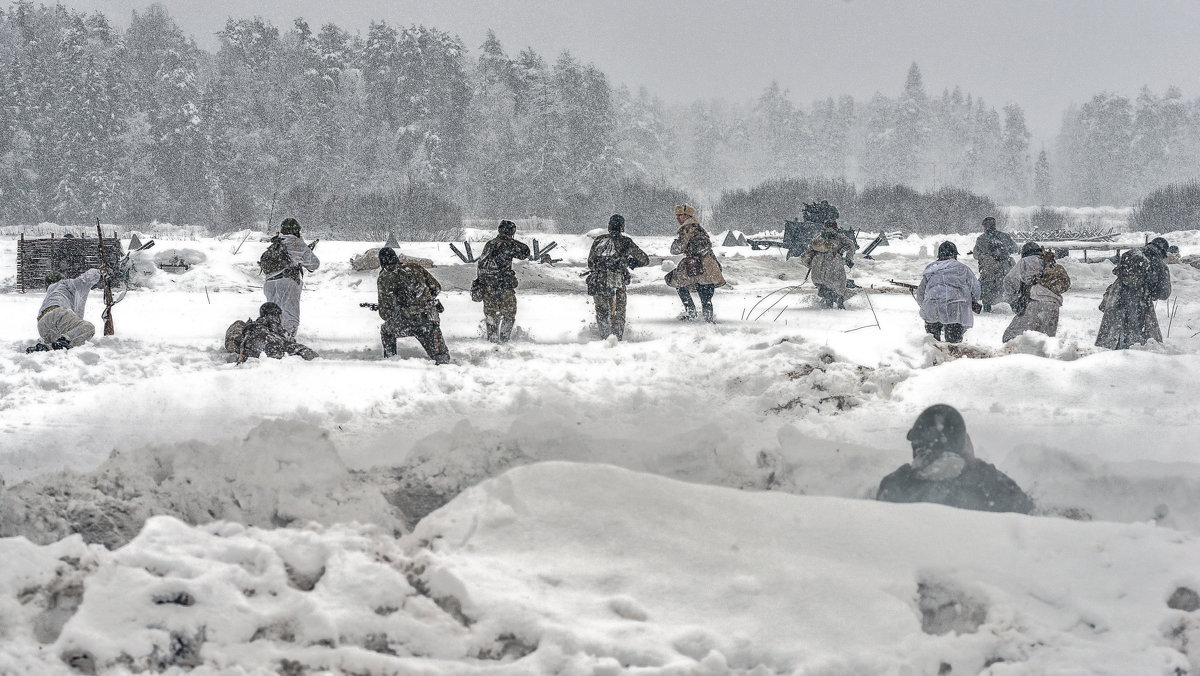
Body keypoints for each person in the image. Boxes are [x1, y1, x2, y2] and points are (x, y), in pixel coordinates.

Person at [876, 404, 1035, 514]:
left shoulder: (897, 483)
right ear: (963, 444)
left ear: (917, 446)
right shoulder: (990, 482)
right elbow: (1029, 516)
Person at [1095, 237, 1172, 350]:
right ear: (1163, 252)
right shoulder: (1160, 265)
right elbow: (1164, 294)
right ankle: (1132, 358)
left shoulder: (1131, 253)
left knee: (1111, 329)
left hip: (1117, 295)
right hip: (1140, 300)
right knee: (1135, 336)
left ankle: (1106, 352)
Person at [377, 246, 451, 363]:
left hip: (405, 322)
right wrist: (423, 301)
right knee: (441, 358)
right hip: (429, 320)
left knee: (386, 331)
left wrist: (396, 310)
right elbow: (436, 287)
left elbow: (384, 313)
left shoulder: (384, 277)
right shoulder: (415, 267)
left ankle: (391, 361)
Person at [587, 214, 650, 340]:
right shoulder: (626, 242)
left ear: (609, 226)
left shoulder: (599, 240)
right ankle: (617, 338)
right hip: (617, 281)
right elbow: (645, 259)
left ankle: (604, 337)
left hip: (598, 280)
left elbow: (590, 262)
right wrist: (631, 262)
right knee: (618, 312)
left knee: (601, 310)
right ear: (622, 228)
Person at [259, 217, 320, 338]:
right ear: (297, 230)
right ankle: (288, 340)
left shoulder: (277, 242)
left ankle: (272, 339)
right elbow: (314, 264)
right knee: (290, 314)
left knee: (273, 314)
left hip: (269, 283)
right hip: (287, 281)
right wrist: (305, 253)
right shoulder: (296, 242)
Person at [472, 220, 530, 343]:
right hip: (503, 286)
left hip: (487, 287)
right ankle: (504, 340)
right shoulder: (508, 245)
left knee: (491, 315)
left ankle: (492, 340)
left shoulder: (490, 244)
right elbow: (525, 252)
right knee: (509, 314)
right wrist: (510, 240)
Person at [1001, 242, 1072, 342]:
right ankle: (1043, 357)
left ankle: (1017, 357)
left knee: (1011, 337)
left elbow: (1009, 280)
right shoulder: (1049, 262)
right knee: (1046, 342)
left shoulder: (1025, 261)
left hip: (1036, 303)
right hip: (1054, 305)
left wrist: (1012, 299)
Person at [665, 203, 725, 322]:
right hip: (710, 265)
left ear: (686, 215)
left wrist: (675, 244)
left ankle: (691, 312)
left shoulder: (687, 228)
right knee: (706, 296)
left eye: (680, 215)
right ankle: (708, 320)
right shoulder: (699, 228)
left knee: (678, 283)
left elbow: (677, 249)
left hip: (695, 265)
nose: (677, 218)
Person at [916, 241, 982, 343]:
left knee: (933, 343)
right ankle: (954, 357)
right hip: (956, 308)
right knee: (954, 345)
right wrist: (973, 301)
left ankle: (934, 356)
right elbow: (975, 288)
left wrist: (925, 305)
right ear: (955, 255)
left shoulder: (930, 269)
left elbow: (920, 293)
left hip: (932, 307)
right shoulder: (963, 268)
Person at [27, 268, 103, 352]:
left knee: (63, 340)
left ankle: (47, 347)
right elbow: (88, 278)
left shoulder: (50, 294)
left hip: (42, 326)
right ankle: (63, 341)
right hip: (58, 314)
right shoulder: (66, 284)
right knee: (88, 328)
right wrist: (100, 271)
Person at [233, 302, 318, 362]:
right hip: (266, 345)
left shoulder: (255, 325)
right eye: (280, 316)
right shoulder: (271, 320)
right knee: (301, 350)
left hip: (249, 348)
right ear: (276, 314)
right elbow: (286, 340)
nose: (281, 319)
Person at [800, 219, 856, 309]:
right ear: (835, 227)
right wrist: (849, 258)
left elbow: (809, 251)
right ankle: (838, 301)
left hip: (818, 264)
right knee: (838, 285)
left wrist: (808, 261)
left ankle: (829, 303)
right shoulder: (839, 237)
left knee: (823, 285)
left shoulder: (818, 237)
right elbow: (851, 245)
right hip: (834, 263)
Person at [971, 216, 1018, 312]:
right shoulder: (1005, 236)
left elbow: (976, 254)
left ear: (985, 227)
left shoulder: (981, 239)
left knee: (986, 286)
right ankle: (1014, 306)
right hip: (1006, 268)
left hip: (990, 268)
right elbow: (1015, 249)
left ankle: (987, 308)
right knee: (1007, 286)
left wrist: (985, 256)